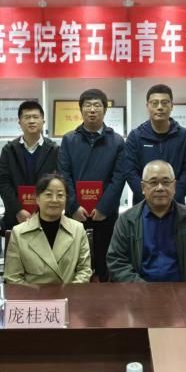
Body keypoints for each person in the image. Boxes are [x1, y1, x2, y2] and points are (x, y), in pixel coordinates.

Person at [107, 160, 186, 282]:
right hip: (139, 290)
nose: (160, 188)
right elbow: (117, 261)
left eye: (166, 182)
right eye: (153, 182)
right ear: (143, 187)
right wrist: (140, 288)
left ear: (174, 186)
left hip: (183, 289)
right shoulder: (127, 221)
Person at [59, 89, 126, 282]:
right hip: (75, 214)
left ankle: (105, 300)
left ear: (105, 109)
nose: (92, 110)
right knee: (76, 264)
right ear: (81, 109)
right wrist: (73, 206)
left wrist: (104, 207)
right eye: (87, 105)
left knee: (106, 265)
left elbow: (118, 177)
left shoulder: (117, 141)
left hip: (105, 213)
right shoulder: (69, 139)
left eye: (97, 105)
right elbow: (64, 175)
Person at [5, 173, 92, 284]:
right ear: (37, 198)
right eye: (48, 194)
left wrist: (70, 292)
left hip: (69, 292)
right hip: (32, 294)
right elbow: (13, 277)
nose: (54, 200)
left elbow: (84, 271)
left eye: (60, 195)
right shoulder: (18, 232)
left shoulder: (78, 229)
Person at [125, 84, 186, 205]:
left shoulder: (184, 136)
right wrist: (147, 196)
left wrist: (173, 197)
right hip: (143, 204)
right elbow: (130, 171)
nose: (160, 107)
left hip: (175, 204)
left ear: (172, 106)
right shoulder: (135, 137)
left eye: (164, 103)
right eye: (154, 103)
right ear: (147, 106)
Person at [0, 101, 59, 231]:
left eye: (35, 117)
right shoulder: (9, 150)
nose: (31, 121)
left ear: (43, 121)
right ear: (19, 122)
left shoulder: (55, 150)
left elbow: (59, 183)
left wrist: (43, 210)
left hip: (47, 216)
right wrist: (18, 210)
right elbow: (3, 183)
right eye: (27, 117)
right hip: (15, 217)